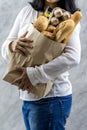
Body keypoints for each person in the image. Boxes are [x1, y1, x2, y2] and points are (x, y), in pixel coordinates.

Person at [1, 0, 81, 130]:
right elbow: (5, 47)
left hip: (52, 98)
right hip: (28, 97)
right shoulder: (27, 12)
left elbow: (72, 57)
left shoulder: (69, 18)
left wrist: (33, 75)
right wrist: (12, 45)